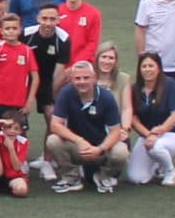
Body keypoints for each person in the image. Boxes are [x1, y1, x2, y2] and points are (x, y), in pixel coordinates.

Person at [45, 59, 129, 193]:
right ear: (72, 79)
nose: (82, 82)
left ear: (94, 78)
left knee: (121, 151)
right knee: (53, 140)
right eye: (77, 78)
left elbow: (115, 131)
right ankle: (71, 177)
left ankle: (103, 176)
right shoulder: (66, 93)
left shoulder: (106, 97)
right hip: (78, 148)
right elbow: (55, 125)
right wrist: (79, 141)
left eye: (86, 78)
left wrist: (100, 149)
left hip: (101, 149)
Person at [122, 52, 175, 187]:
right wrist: (149, 135)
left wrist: (158, 132)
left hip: (174, 134)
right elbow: (134, 119)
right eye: (144, 66)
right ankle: (157, 165)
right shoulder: (135, 89)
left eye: (151, 66)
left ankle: (170, 171)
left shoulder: (170, 84)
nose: (147, 69)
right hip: (147, 136)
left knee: (156, 147)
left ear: (158, 68)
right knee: (136, 178)